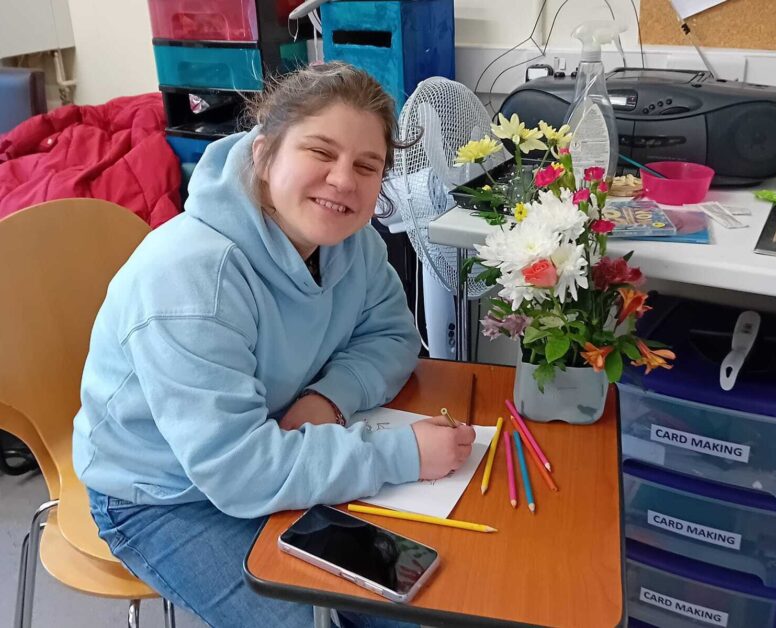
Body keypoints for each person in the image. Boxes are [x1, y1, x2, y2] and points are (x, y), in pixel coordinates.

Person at [72, 62, 476, 628]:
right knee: (313, 621)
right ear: (264, 155)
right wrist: (401, 454)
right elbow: (238, 471)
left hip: (280, 443)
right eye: (321, 152)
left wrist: (329, 399)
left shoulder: (352, 242)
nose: (344, 181)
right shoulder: (191, 279)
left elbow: (392, 336)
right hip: (163, 495)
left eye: (367, 165)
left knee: (417, 601)